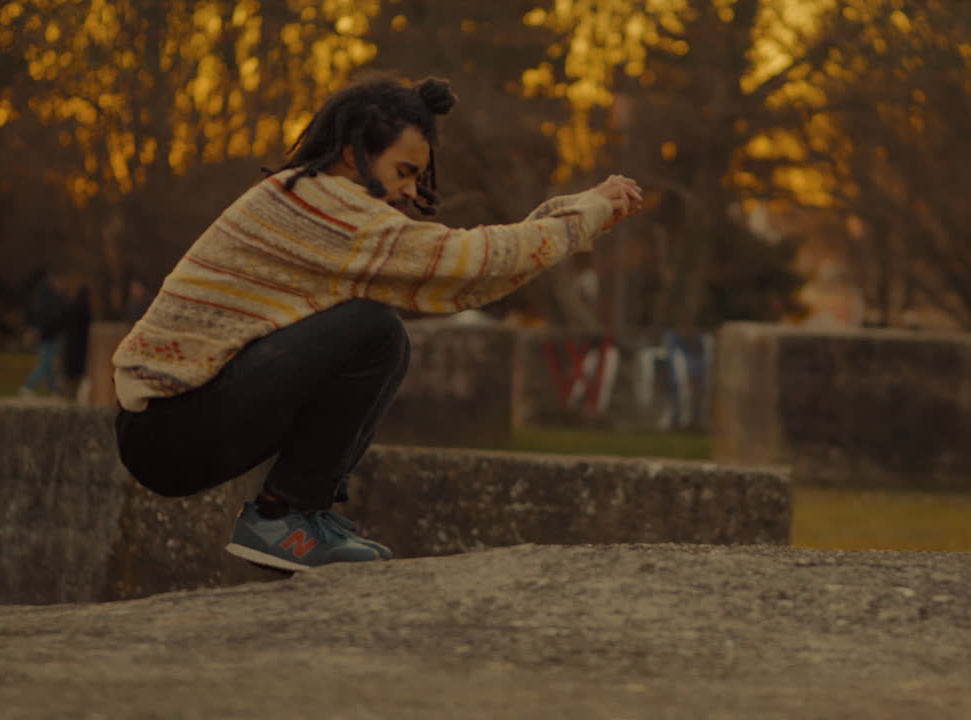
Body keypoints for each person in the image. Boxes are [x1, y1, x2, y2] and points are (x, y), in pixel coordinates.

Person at [111, 74, 643, 573]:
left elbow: (467, 280)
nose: (411, 191)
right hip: (169, 428)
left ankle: (299, 513)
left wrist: (575, 209)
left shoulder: (314, 198)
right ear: (354, 153)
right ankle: (280, 520)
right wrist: (584, 214)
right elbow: (474, 260)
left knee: (381, 337)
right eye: (404, 171)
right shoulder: (327, 210)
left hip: (173, 426)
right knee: (371, 331)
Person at [19, 270, 65, 397]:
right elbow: (51, 318)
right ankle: (28, 386)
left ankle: (54, 390)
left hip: (46, 334)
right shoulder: (51, 299)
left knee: (48, 364)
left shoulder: (41, 297)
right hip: (49, 335)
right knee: (45, 363)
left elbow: (33, 314)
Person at [60, 285, 92, 404]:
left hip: (70, 343)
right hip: (81, 344)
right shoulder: (85, 307)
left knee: (70, 372)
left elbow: (63, 320)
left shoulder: (71, 306)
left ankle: (69, 393)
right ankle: (75, 394)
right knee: (78, 371)